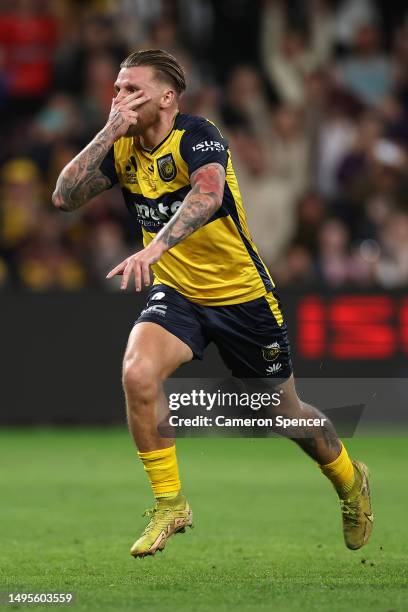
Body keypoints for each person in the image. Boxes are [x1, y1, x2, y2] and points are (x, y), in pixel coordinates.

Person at [52, 49, 373, 558]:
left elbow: (208, 194)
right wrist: (108, 131)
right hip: (178, 293)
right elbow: (65, 196)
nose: (119, 100)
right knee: (138, 373)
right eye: (116, 90)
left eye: (131, 90)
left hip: (242, 296)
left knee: (282, 415)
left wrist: (157, 245)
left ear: (167, 96)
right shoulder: (122, 147)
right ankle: (170, 503)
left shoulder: (198, 135)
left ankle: (350, 480)